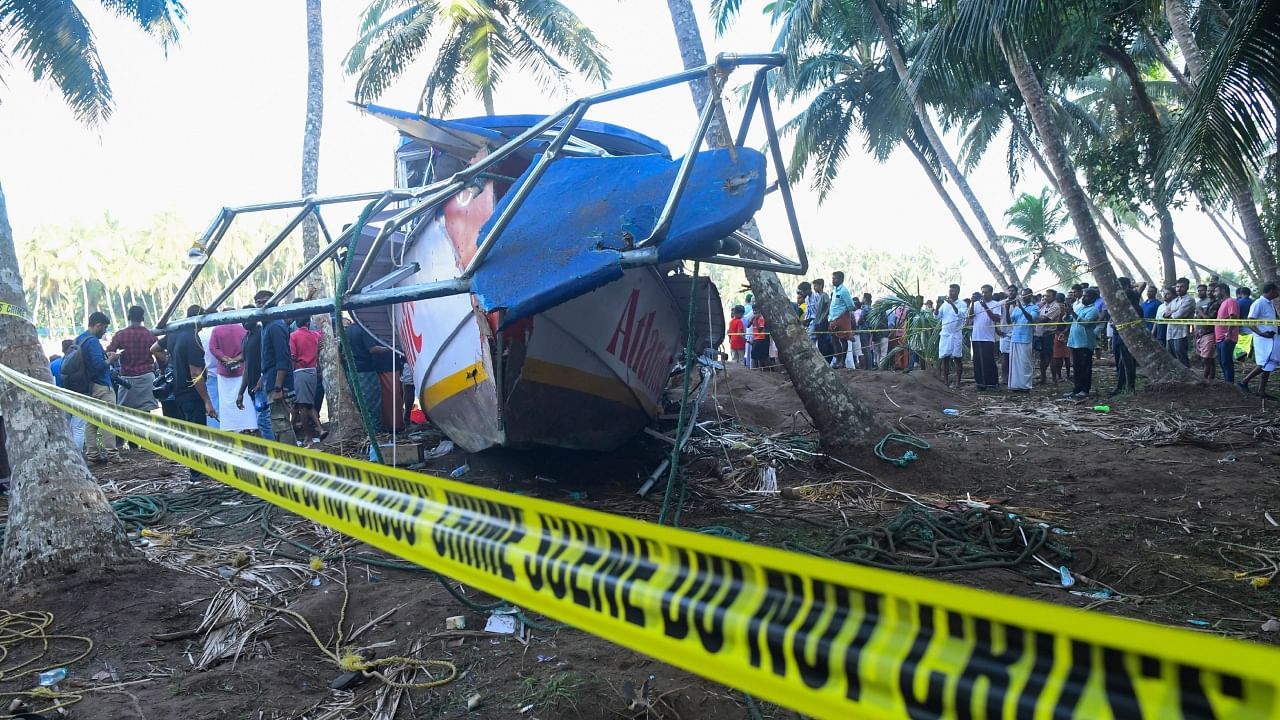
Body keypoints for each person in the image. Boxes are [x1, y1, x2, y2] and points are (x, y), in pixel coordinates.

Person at [153, 305, 217, 428]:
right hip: (192, 394)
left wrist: (169, 361)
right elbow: (195, 374)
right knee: (198, 433)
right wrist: (207, 401)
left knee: (187, 430)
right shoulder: (193, 339)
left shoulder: (175, 332)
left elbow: (154, 349)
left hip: (178, 391)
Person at [75, 311, 122, 462]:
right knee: (108, 419)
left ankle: (92, 454)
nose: (105, 331)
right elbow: (98, 366)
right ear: (98, 325)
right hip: (101, 385)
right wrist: (111, 359)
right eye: (104, 328)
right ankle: (112, 454)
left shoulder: (79, 339)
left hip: (87, 386)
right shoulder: (93, 342)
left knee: (91, 420)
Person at [106, 306, 159, 420]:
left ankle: (128, 437)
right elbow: (160, 354)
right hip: (146, 378)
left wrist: (115, 356)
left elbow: (109, 352)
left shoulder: (120, 335)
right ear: (142, 318)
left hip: (127, 380)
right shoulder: (150, 335)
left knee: (124, 415)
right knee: (146, 415)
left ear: (129, 317)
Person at [209, 316, 257, 433]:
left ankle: (230, 427)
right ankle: (247, 426)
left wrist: (225, 359)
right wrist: (235, 359)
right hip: (241, 370)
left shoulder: (216, 330)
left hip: (224, 371)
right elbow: (246, 349)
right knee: (244, 399)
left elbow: (213, 348)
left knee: (226, 402)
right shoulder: (242, 329)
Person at [260, 300, 297, 445]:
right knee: (278, 424)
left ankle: (292, 461)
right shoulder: (267, 327)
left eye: (263, 302)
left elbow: (282, 358)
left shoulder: (275, 326)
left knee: (281, 424)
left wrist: (278, 387)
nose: (260, 306)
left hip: (279, 384)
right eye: (257, 303)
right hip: (271, 381)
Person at [235, 308, 273, 439]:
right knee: (261, 421)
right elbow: (246, 366)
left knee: (265, 421)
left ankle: (274, 452)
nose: (245, 321)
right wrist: (241, 392)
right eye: (243, 318)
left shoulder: (261, 334)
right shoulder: (246, 338)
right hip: (253, 388)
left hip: (262, 386)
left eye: (248, 317)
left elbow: (268, 359)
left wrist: (262, 379)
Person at [345, 317, 387, 430]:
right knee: (373, 403)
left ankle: (365, 430)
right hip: (366, 370)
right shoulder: (363, 330)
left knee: (359, 401)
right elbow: (372, 349)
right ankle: (375, 431)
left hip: (352, 371)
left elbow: (341, 351)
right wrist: (390, 348)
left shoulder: (347, 330)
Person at [1238, 282, 1279, 398]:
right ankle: (1243, 382)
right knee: (1263, 363)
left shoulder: (1270, 303)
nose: (1278, 293)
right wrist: (1261, 333)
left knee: (1270, 364)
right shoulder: (1258, 303)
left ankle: (1261, 391)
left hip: (1272, 338)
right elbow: (1250, 322)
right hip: (1263, 339)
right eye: (1277, 290)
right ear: (1271, 290)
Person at [290, 314, 324, 445]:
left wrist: (290, 374)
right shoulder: (315, 335)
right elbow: (321, 336)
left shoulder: (293, 336)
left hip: (300, 371)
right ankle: (319, 430)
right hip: (313, 371)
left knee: (303, 405)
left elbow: (293, 356)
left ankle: (308, 437)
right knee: (307, 403)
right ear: (308, 323)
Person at [1068, 288, 1102, 399]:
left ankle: (1084, 390)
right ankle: (1076, 389)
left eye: (1086, 296)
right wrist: (1067, 314)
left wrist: (1072, 312)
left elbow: (1086, 323)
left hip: (1085, 343)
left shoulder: (1093, 310)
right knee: (1076, 368)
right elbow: (1070, 320)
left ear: (1092, 298)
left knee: (1085, 368)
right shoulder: (1078, 306)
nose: (1083, 298)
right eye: (1083, 296)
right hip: (1074, 341)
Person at [969, 285, 1001, 390]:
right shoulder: (976, 304)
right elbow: (970, 317)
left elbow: (995, 318)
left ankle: (992, 383)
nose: (984, 294)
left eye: (986, 292)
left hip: (988, 337)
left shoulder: (996, 304)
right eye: (982, 292)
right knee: (977, 361)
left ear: (991, 293)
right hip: (976, 336)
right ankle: (980, 383)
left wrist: (985, 307)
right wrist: (972, 303)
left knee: (989, 360)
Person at [1007, 288, 1040, 391]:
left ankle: (1025, 386)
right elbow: (1009, 322)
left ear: (1030, 295)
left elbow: (1031, 319)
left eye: (1026, 295)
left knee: (1025, 363)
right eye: (1022, 295)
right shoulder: (1016, 309)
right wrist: (1007, 310)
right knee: (1015, 364)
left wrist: (1021, 308)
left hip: (1025, 338)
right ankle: (1015, 385)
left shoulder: (1034, 307)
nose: (1023, 297)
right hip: (1015, 337)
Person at [936, 284, 967, 387]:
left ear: (958, 292)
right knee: (945, 358)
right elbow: (936, 316)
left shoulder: (962, 304)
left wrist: (952, 304)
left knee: (957, 358)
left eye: (953, 291)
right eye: (950, 291)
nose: (951, 293)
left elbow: (960, 315)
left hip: (956, 334)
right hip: (945, 334)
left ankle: (958, 382)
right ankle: (946, 381)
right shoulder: (944, 304)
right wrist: (937, 305)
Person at [1163, 278, 1195, 366]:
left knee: (1181, 355)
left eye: (1182, 287)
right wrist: (1173, 311)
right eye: (1177, 287)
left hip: (1181, 332)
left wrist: (1171, 313)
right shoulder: (1175, 300)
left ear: (1187, 287)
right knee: (1171, 356)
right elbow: (1164, 314)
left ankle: (1188, 376)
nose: (1179, 289)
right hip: (1170, 332)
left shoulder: (1189, 300)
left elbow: (1179, 315)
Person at [1214, 282, 1240, 384]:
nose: (1214, 293)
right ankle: (1227, 384)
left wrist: (1228, 333)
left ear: (1223, 291)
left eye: (1216, 291)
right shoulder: (1223, 303)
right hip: (1219, 338)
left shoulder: (1231, 301)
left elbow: (1233, 317)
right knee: (1222, 362)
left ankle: (1230, 384)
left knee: (1226, 362)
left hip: (1227, 337)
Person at [827, 271, 854, 368]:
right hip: (833, 319)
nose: (833, 280)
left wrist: (841, 315)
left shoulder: (843, 291)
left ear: (841, 280)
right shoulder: (834, 291)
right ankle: (837, 361)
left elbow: (851, 306)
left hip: (841, 319)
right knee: (834, 340)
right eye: (833, 278)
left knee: (843, 340)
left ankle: (842, 362)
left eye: (835, 278)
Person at [1196, 286, 1220, 380]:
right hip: (1202, 332)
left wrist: (1200, 312)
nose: (1209, 293)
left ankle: (1205, 380)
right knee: (1210, 359)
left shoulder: (1217, 304)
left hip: (1210, 332)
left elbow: (1209, 319)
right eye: (1209, 291)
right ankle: (1210, 379)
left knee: (1207, 359)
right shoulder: (1210, 303)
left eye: (1212, 291)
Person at [808, 278, 832, 361]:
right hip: (817, 321)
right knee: (820, 342)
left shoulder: (824, 295)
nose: (814, 288)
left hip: (822, 322)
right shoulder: (819, 296)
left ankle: (827, 359)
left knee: (823, 342)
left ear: (821, 286)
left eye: (816, 286)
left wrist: (823, 317)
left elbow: (828, 306)